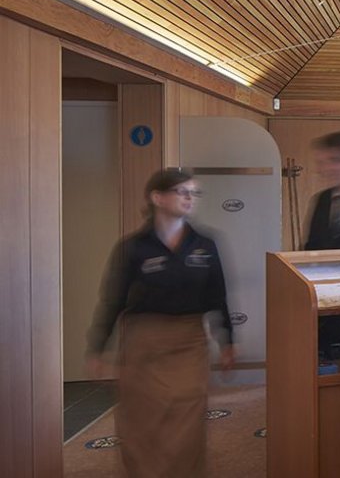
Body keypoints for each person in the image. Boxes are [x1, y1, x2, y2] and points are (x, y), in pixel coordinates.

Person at [86, 169, 235, 478]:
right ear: (157, 197)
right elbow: (112, 299)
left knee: (187, 422)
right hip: (145, 342)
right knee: (142, 422)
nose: (189, 198)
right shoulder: (133, 247)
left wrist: (227, 342)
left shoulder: (205, 245)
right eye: (182, 191)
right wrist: (97, 348)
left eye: (193, 192)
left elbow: (218, 297)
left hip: (189, 341)